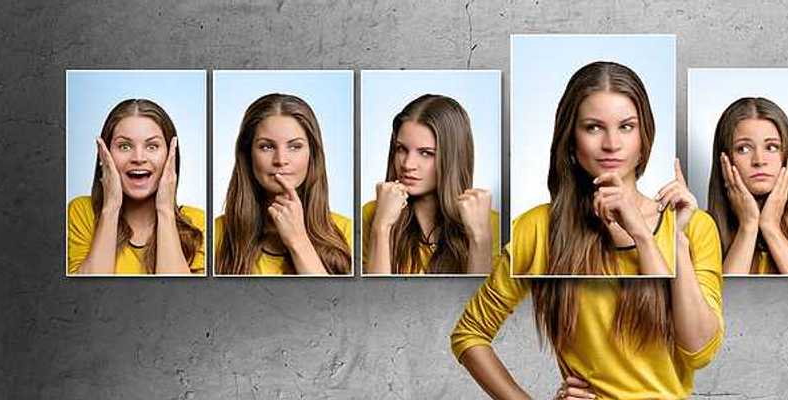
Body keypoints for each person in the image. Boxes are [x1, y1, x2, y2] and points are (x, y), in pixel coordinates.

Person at [451, 61, 723, 398]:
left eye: (626, 127)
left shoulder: (693, 226)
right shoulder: (537, 229)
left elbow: (699, 351)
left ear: (644, 136)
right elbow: (470, 333)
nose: (612, 143)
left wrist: (660, 238)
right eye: (594, 127)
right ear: (571, 138)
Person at [214, 93, 352, 276]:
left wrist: (298, 241)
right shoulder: (216, 233)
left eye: (295, 146)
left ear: (312, 154)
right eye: (267, 147)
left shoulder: (347, 232)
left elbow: (334, 304)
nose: (280, 160)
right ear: (248, 155)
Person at [363, 94, 498, 274]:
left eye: (426, 153)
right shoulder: (372, 214)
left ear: (453, 158)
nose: (407, 164)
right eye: (401, 149)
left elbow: (480, 300)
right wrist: (381, 228)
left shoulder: (494, 224)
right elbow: (372, 298)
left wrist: (479, 239)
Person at [67, 98, 204, 275]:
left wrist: (165, 210)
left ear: (171, 157)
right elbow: (85, 295)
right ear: (104, 155)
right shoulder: (81, 212)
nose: (138, 158)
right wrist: (111, 208)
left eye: (152, 146)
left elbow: (178, 298)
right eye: (124, 146)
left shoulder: (199, 223)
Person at [707, 97, 788, 275]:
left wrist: (771, 227)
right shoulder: (702, 226)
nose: (759, 161)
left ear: (787, 156)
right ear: (724, 160)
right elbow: (718, 302)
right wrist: (748, 226)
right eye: (743, 149)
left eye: (771, 147)